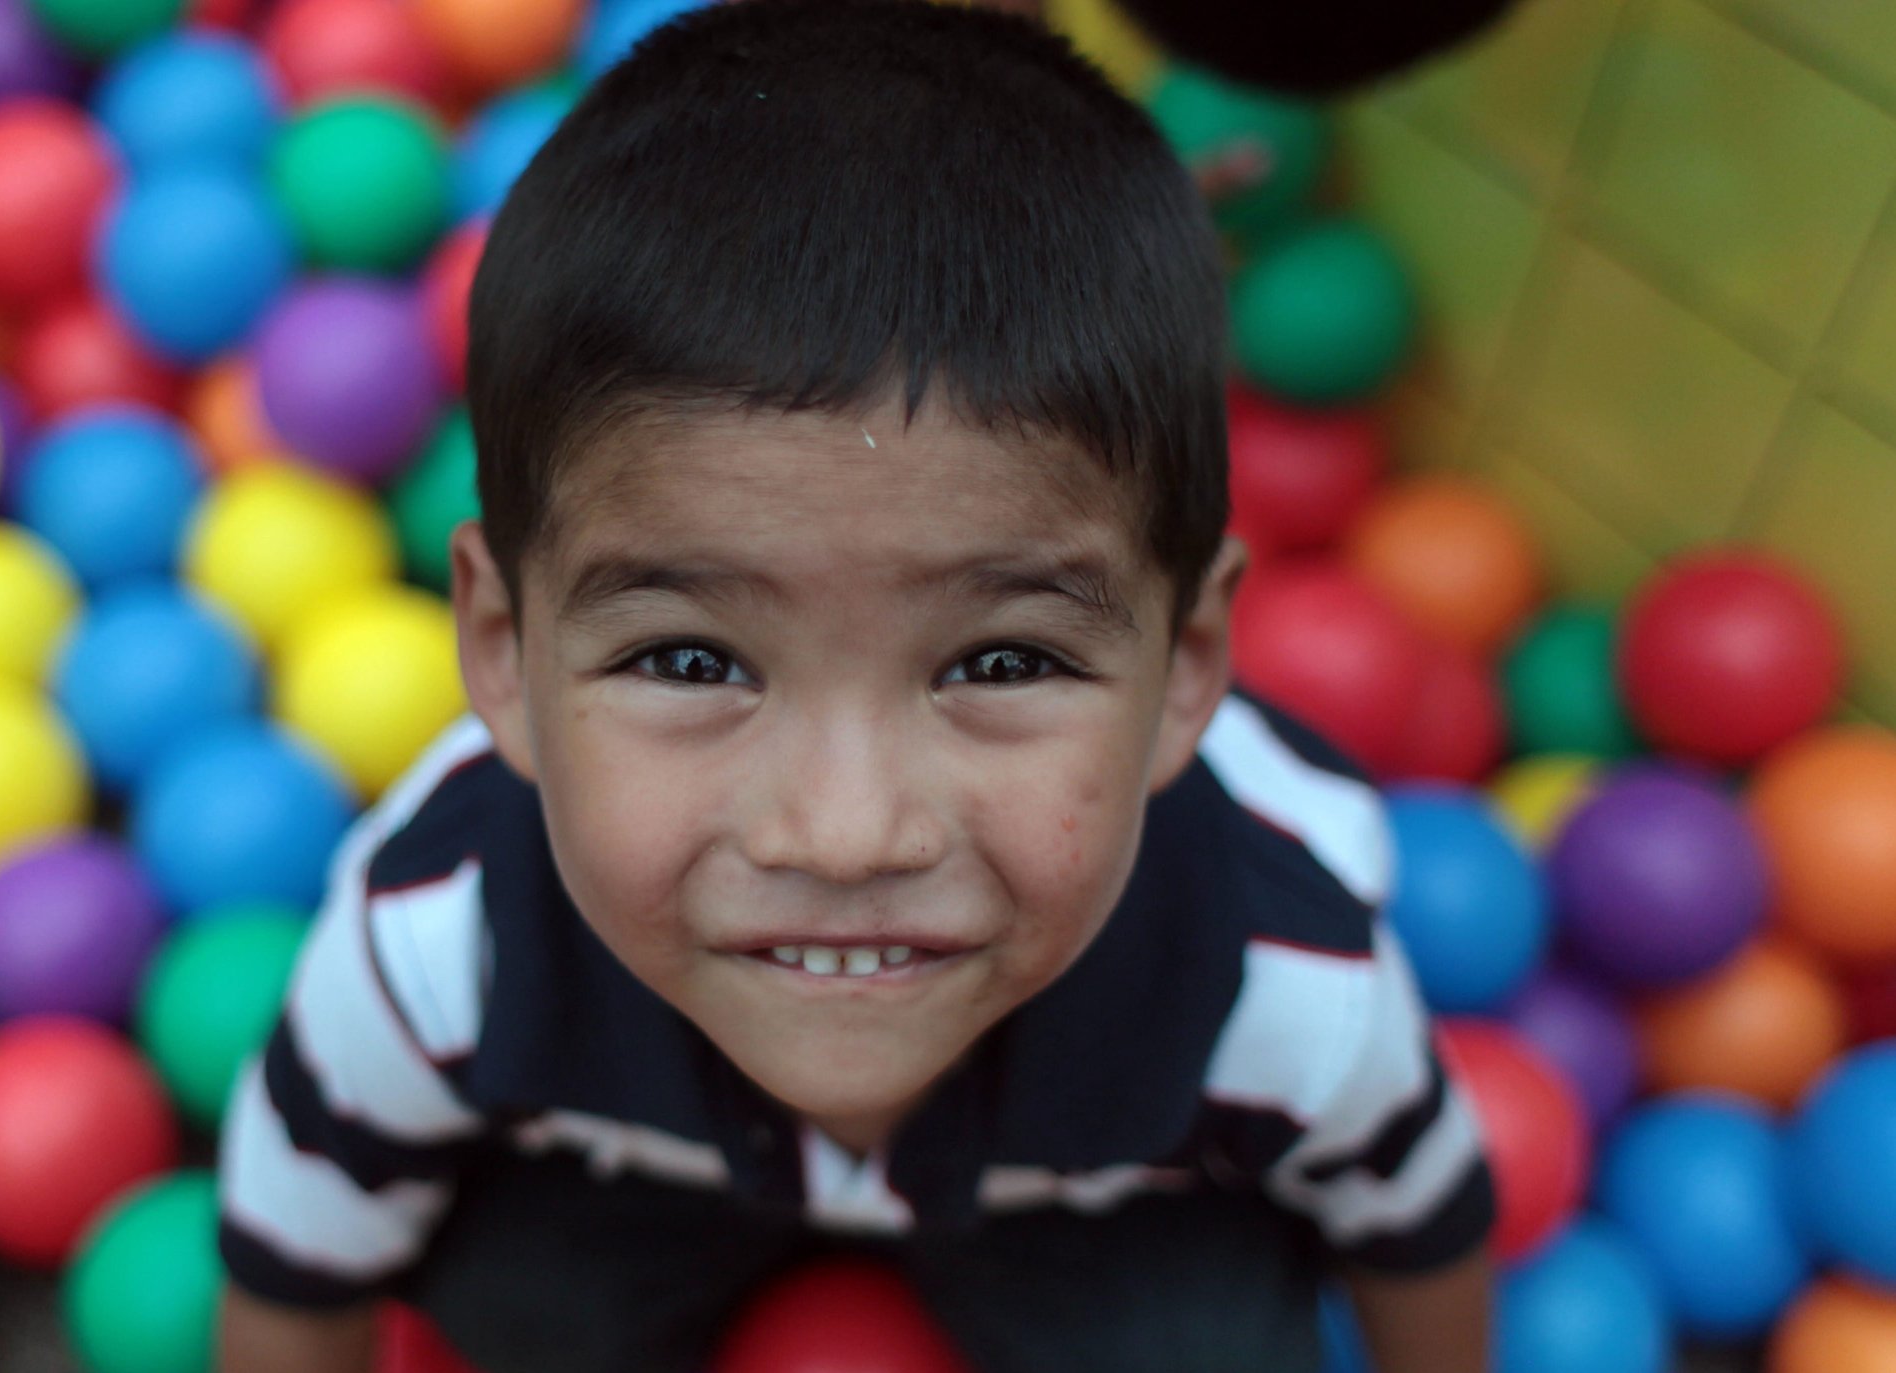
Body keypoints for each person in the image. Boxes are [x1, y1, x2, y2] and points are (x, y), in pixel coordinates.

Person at [214, 1, 1494, 1369]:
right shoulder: (431, 938)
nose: (843, 833)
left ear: (1185, 667)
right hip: (639, 1183)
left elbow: (1415, 1228)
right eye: (689, 659)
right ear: (501, 650)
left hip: (1100, 1208)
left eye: (1000, 661)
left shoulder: (1281, 975)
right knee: (515, 1306)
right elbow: (297, 1255)